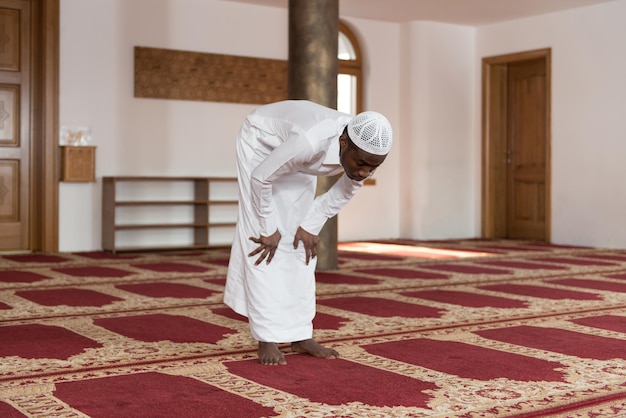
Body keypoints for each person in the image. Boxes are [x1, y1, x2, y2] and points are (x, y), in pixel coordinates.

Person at [224, 99, 392, 365]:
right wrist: (267, 226)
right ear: (343, 142)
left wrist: (310, 226)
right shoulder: (309, 142)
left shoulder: (360, 155)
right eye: (361, 164)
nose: (364, 172)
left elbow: (346, 189)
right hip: (260, 146)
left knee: (299, 245)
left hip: (297, 159)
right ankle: (267, 337)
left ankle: (300, 335)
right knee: (263, 242)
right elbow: (261, 177)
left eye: (373, 167)